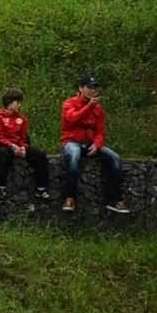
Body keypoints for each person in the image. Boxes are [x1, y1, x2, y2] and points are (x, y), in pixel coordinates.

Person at [59, 75, 128, 214]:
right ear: (81, 88)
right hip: (72, 141)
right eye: (89, 87)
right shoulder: (69, 103)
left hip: (90, 143)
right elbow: (71, 120)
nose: (92, 90)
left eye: (94, 88)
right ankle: (69, 197)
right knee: (73, 157)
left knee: (115, 158)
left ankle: (114, 200)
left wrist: (97, 144)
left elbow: (100, 131)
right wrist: (89, 106)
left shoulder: (98, 109)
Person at [0, 88, 50, 203]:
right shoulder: (0, 117)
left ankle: (41, 188)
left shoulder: (22, 119)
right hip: (5, 146)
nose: (19, 105)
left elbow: (23, 138)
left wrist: (23, 147)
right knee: (3, 156)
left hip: (19, 147)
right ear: (9, 102)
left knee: (40, 155)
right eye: (17, 102)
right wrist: (12, 146)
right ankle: (0, 187)